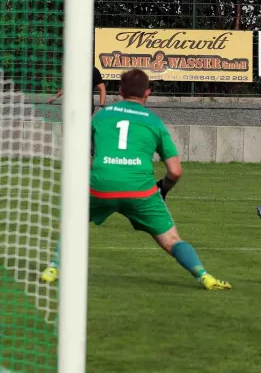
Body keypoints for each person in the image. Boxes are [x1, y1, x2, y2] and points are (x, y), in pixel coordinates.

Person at [41, 69, 231, 290]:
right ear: (148, 92)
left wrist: (96, 172)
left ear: (120, 91)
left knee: (72, 225)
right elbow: (175, 171)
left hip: (102, 186)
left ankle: (53, 267)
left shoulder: (102, 116)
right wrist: (164, 189)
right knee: (171, 240)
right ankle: (204, 276)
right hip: (141, 190)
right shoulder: (154, 122)